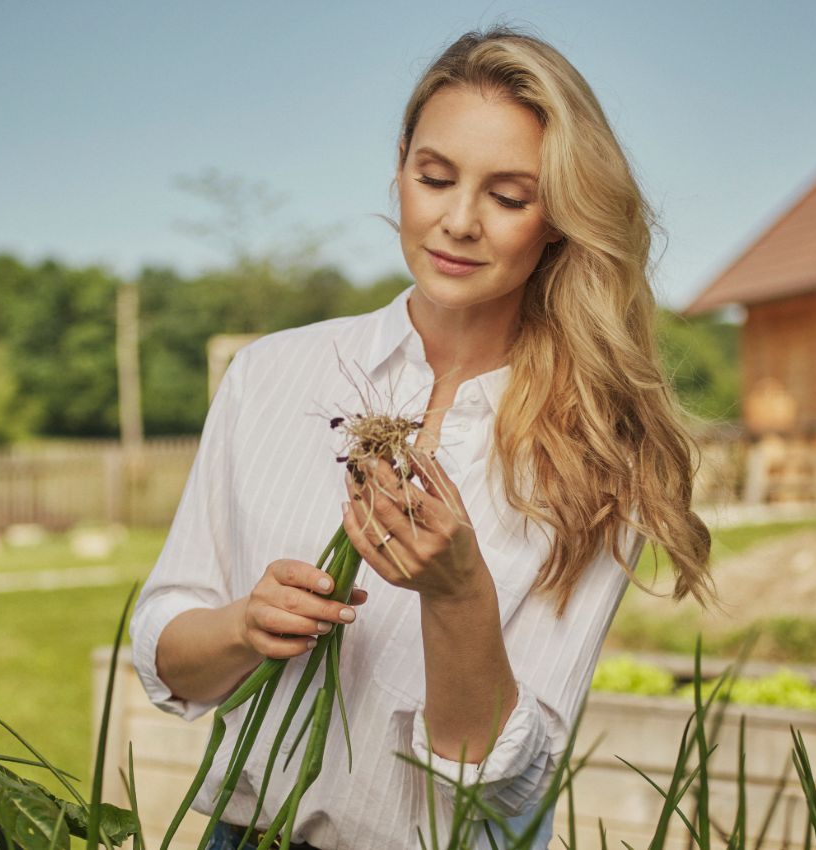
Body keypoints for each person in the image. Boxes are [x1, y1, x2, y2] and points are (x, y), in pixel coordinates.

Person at [130, 24, 716, 850]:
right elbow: (164, 643)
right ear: (401, 164)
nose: (460, 221)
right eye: (434, 177)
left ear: (559, 216)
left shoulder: (595, 448)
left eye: (510, 197)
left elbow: (508, 779)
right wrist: (240, 627)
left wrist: (457, 594)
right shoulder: (271, 375)